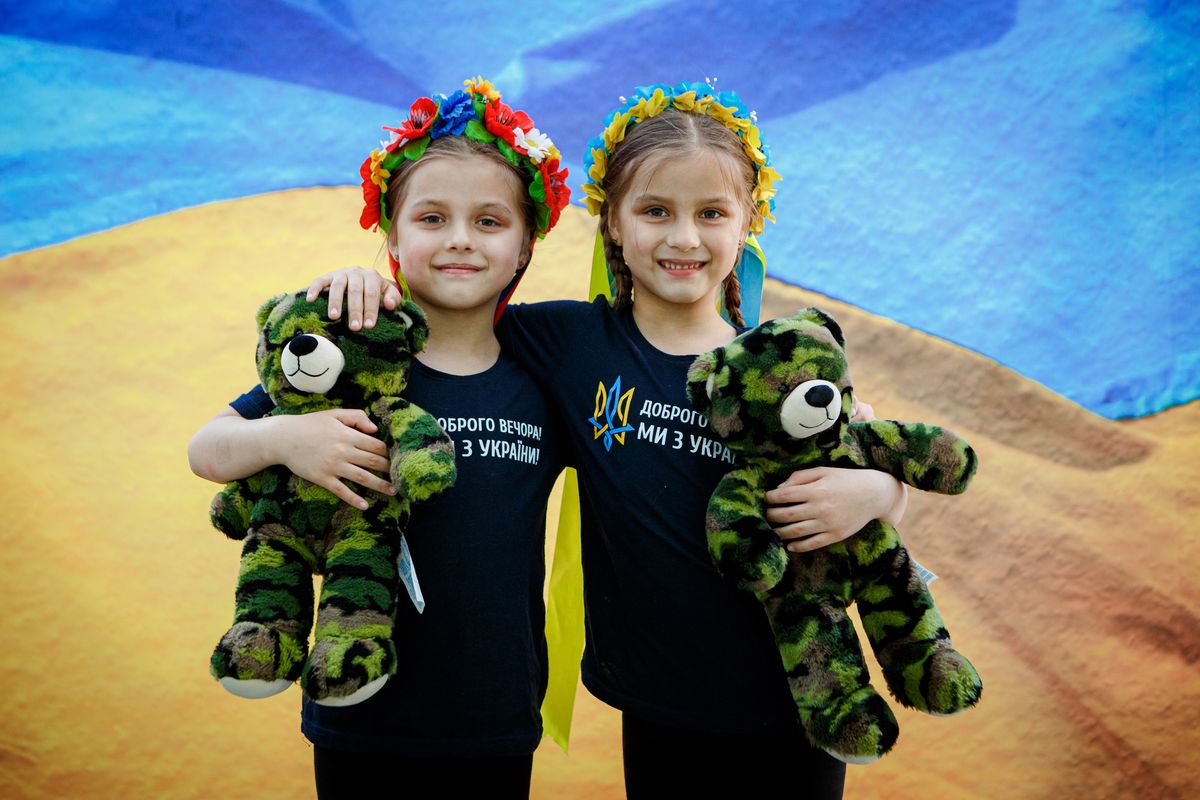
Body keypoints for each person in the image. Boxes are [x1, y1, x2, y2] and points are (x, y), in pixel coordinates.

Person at [315, 81, 909, 798]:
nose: (684, 236)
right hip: (656, 710)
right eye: (656, 210)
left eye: (711, 213)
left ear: (747, 221)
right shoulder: (567, 345)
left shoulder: (777, 365)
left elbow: (874, 453)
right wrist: (361, 286)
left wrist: (881, 489)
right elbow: (453, 314)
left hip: (796, 700)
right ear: (615, 225)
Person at [187, 78, 571, 800]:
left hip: (496, 713)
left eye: (490, 222)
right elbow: (206, 448)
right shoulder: (346, 358)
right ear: (391, 235)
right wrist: (288, 438)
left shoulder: (544, 369)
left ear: (525, 246)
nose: (460, 238)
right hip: (358, 704)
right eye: (432, 217)